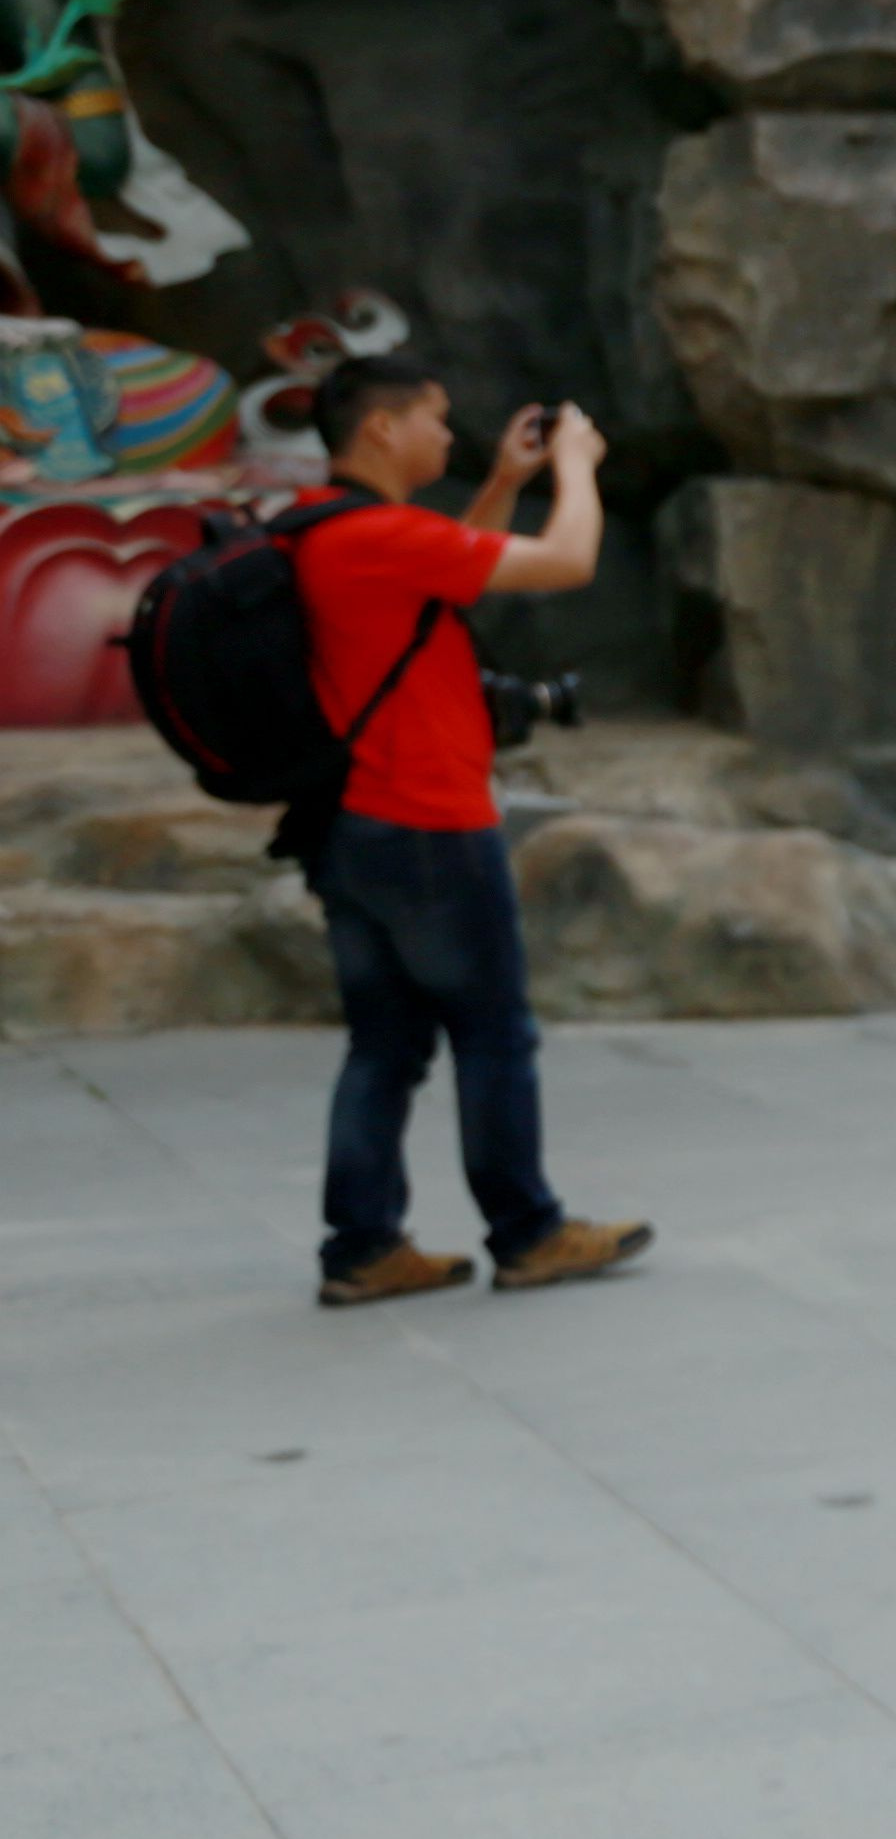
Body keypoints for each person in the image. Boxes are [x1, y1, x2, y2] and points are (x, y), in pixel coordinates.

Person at [288, 355, 650, 1308]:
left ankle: (363, 1247)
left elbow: (443, 589)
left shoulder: (331, 529)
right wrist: (577, 467)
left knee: (385, 1047)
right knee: (495, 1035)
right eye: (435, 420)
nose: (446, 437)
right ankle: (528, 1231)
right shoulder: (376, 535)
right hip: (429, 822)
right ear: (380, 430)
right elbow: (566, 561)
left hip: (353, 825)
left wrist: (502, 483)